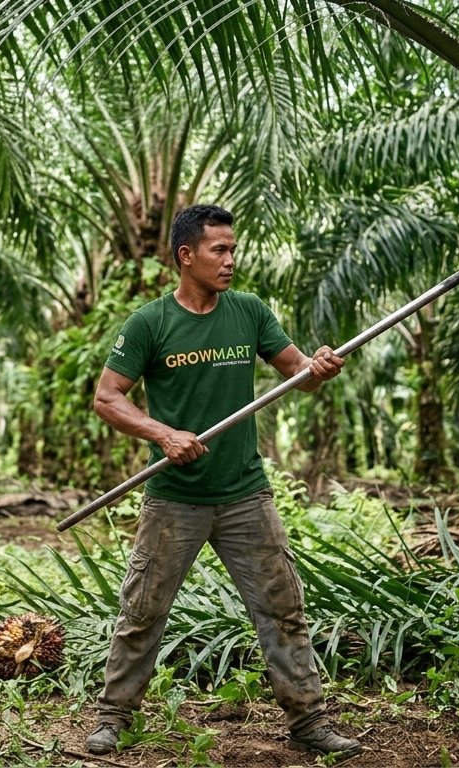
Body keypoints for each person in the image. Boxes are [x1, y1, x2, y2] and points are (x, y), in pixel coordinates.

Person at [85, 204, 362, 759]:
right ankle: (113, 717)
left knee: (282, 607)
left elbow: (298, 375)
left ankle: (308, 721)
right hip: (175, 500)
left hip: (244, 495)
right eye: (220, 249)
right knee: (142, 611)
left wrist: (319, 366)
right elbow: (107, 397)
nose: (231, 259)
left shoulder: (250, 312)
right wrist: (163, 434)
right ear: (186, 256)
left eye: (234, 249)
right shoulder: (150, 323)